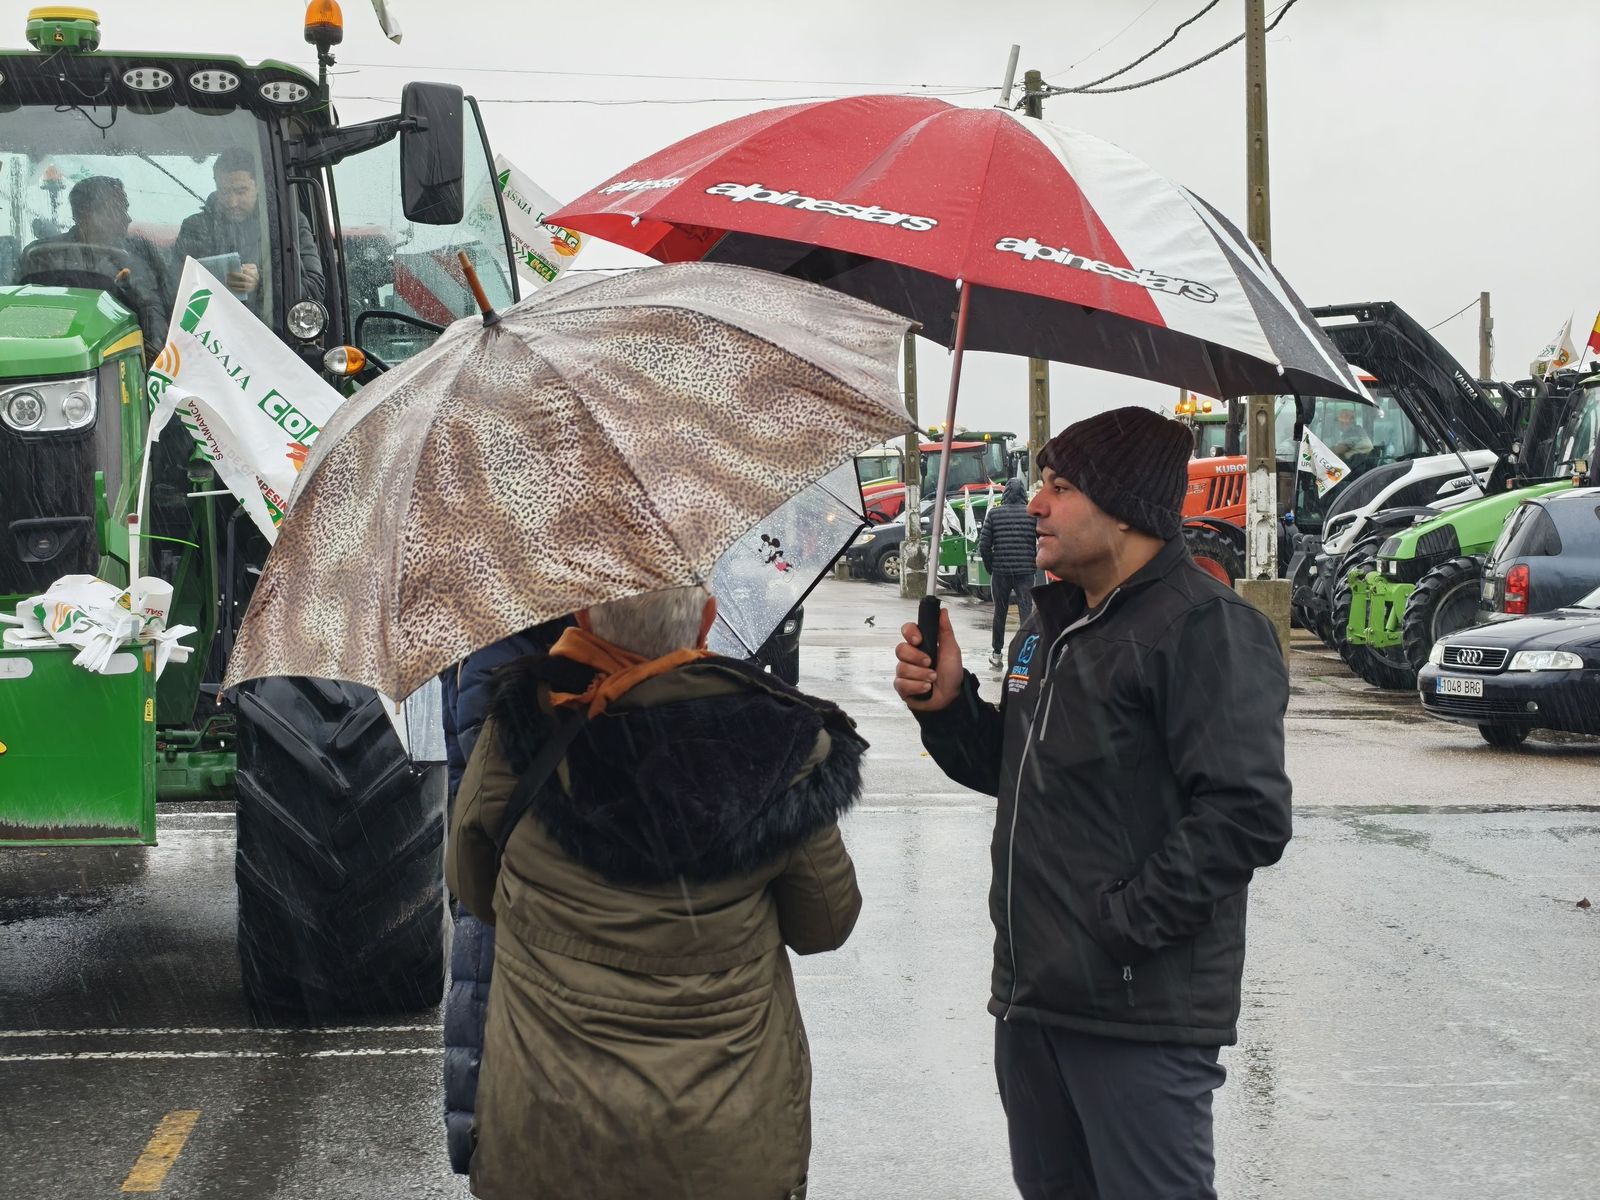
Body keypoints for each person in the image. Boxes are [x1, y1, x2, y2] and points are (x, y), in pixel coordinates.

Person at [893, 406, 1292, 1200]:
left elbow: (1245, 813)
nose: (1036, 503)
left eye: (1062, 486)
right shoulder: (1053, 625)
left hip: (1134, 1013)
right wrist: (947, 707)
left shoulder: (1204, 627)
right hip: (1035, 999)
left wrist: (1118, 927)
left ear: (1126, 510)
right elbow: (1021, 770)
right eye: (1042, 481)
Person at [448, 584, 864, 1200]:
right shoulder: (782, 743)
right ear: (708, 620)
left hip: (550, 1145)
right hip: (725, 1153)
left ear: (585, 618)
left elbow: (474, 889)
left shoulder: (519, 737)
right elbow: (825, 924)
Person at [438, 616, 574, 1177]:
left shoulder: (527, 643)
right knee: (502, 1099)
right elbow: (498, 786)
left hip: (516, 892)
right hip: (504, 894)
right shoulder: (496, 655)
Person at [21, 176, 173, 356]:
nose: (128, 218)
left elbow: (153, 309)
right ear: (87, 215)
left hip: (126, 355)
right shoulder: (42, 256)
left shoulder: (140, 255)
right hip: (52, 359)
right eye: (119, 209)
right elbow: (19, 313)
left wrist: (155, 357)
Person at [172, 146, 324, 312]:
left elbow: (314, 290)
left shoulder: (288, 224)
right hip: (209, 332)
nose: (232, 202)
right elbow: (174, 288)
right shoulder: (195, 227)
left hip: (272, 333)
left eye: (240, 191)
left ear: (258, 185)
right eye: (224, 192)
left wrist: (262, 283)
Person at [978, 477, 1038, 668]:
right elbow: (1043, 540)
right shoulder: (1031, 515)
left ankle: (997, 654)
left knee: (1000, 613)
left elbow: (984, 546)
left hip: (1001, 572)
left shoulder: (994, 514)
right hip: (1025, 572)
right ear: (1023, 494)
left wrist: (991, 567)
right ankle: (1025, 654)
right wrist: (1033, 561)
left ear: (1005, 494)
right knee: (1026, 612)